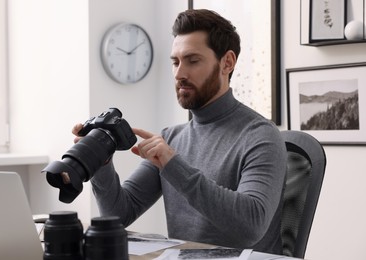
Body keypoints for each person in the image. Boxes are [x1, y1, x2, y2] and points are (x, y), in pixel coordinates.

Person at [73, 9, 287, 254]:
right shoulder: (171, 138)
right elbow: (119, 214)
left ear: (227, 63)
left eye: (192, 61)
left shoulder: (261, 136)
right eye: (175, 62)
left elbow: (251, 226)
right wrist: (101, 160)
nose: (179, 74)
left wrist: (173, 165)